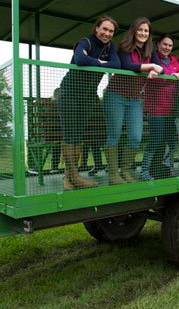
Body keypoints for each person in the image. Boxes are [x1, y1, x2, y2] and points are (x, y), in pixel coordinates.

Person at [58, 15, 120, 190]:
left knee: (78, 135)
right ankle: (70, 177)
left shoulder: (110, 47)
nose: (107, 34)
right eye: (104, 29)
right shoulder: (85, 42)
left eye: (111, 31)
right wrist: (100, 62)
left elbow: (116, 64)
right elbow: (80, 60)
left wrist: (97, 63)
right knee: (70, 134)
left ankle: (72, 177)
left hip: (88, 96)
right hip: (69, 93)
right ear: (97, 29)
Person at [103, 17, 163, 184]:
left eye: (146, 31)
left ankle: (126, 171)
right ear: (134, 30)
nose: (143, 33)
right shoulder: (124, 47)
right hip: (115, 95)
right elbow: (126, 66)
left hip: (135, 99)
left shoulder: (150, 52)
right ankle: (114, 175)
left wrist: (156, 71)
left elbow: (161, 68)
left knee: (136, 136)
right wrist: (150, 67)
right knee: (114, 134)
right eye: (140, 29)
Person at [140, 34, 179, 180]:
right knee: (156, 139)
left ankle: (166, 169)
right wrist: (171, 76)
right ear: (158, 44)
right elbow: (159, 77)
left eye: (170, 45)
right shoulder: (152, 57)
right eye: (164, 44)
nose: (167, 48)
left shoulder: (175, 60)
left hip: (171, 108)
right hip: (155, 107)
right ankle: (144, 171)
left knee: (169, 140)